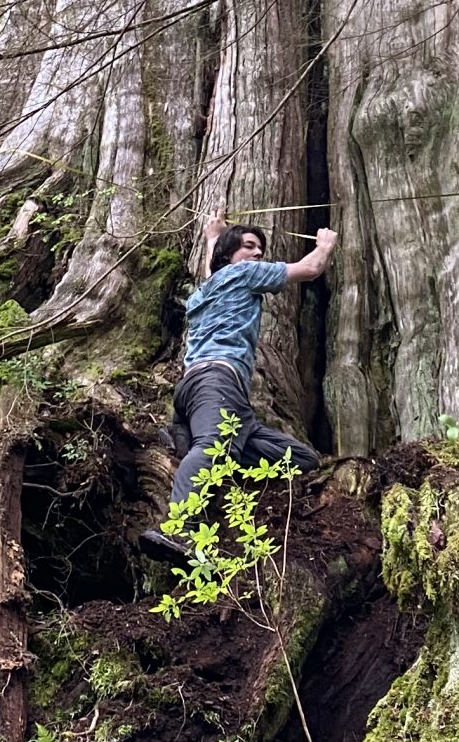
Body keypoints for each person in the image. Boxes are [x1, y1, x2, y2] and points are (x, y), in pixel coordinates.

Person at [137, 212, 336, 562]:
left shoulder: (205, 289)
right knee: (213, 447)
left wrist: (212, 233)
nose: (258, 254)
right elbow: (309, 270)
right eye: (249, 246)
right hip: (218, 381)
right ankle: (178, 528)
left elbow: (214, 265)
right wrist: (325, 245)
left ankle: (184, 439)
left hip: (197, 390)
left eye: (261, 248)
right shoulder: (244, 274)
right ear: (231, 255)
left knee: (303, 459)